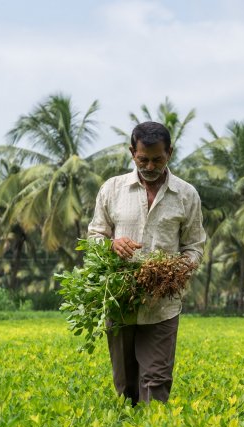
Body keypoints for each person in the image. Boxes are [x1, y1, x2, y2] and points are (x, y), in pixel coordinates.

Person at [88, 121, 205, 405]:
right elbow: (94, 237)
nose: (150, 166)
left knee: (156, 381)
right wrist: (111, 245)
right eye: (143, 159)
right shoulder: (112, 189)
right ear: (132, 152)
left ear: (170, 153)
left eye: (157, 160)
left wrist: (176, 272)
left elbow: (194, 246)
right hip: (119, 299)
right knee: (126, 386)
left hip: (162, 303)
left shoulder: (186, 195)